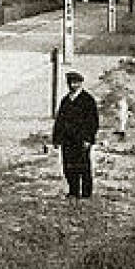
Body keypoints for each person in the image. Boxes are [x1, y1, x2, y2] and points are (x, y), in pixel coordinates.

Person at [53, 70, 99, 199]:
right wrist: (57, 139)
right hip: (67, 140)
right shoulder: (65, 101)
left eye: (75, 83)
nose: (73, 85)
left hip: (81, 140)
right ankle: (73, 191)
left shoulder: (88, 100)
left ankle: (86, 193)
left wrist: (88, 139)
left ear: (80, 83)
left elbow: (93, 122)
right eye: (70, 83)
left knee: (83, 166)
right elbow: (59, 121)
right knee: (68, 166)